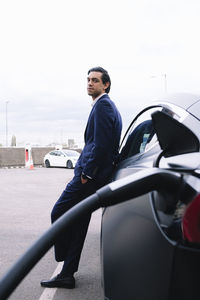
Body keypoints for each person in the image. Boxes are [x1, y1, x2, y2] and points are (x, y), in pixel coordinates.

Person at [40, 67, 122, 289]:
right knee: (78, 222)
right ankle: (67, 273)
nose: (89, 83)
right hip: (95, 175)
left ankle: (63, 258)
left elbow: (102, 145)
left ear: (105, 85)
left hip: (90, 176)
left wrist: (87, 173)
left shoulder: (104, 106)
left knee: (59, 212)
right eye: (88, 79)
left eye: (95, 80)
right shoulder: (104, 106)